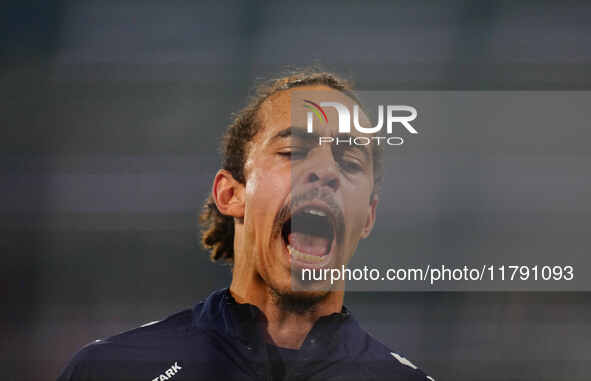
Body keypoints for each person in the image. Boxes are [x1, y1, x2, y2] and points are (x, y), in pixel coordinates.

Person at [58, 70, 434, 381]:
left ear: (367, 217)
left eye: (350, 163)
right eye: (293, 153)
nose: (325, 171)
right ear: (230, 194)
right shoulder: (113, 370)